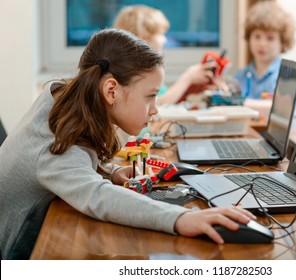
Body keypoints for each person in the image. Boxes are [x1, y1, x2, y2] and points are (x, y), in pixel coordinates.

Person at [0, 29, 256, 259]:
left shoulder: (63, 99)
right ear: (111, 90)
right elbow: (97, 196)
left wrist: (109, 171)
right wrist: (181, 218)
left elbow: (75, 165)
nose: (155, 109)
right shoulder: (56, 139)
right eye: (151, 96)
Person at [113, 5, 216, 105]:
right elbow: (158, 103)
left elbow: (165, 99)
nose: (165, 40)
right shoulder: (135, 73)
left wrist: (188, 88)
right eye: (160, 34)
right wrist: (187, 78)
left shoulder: (149, 68)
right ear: (144, 38)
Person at [234, 0, 296, 99]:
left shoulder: (289, 77)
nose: (262, 44)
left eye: (270, 38)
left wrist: (242, 104)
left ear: (283, 42)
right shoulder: (240, 77)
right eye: (257, 36)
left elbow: (293, 111)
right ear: (249, 38)